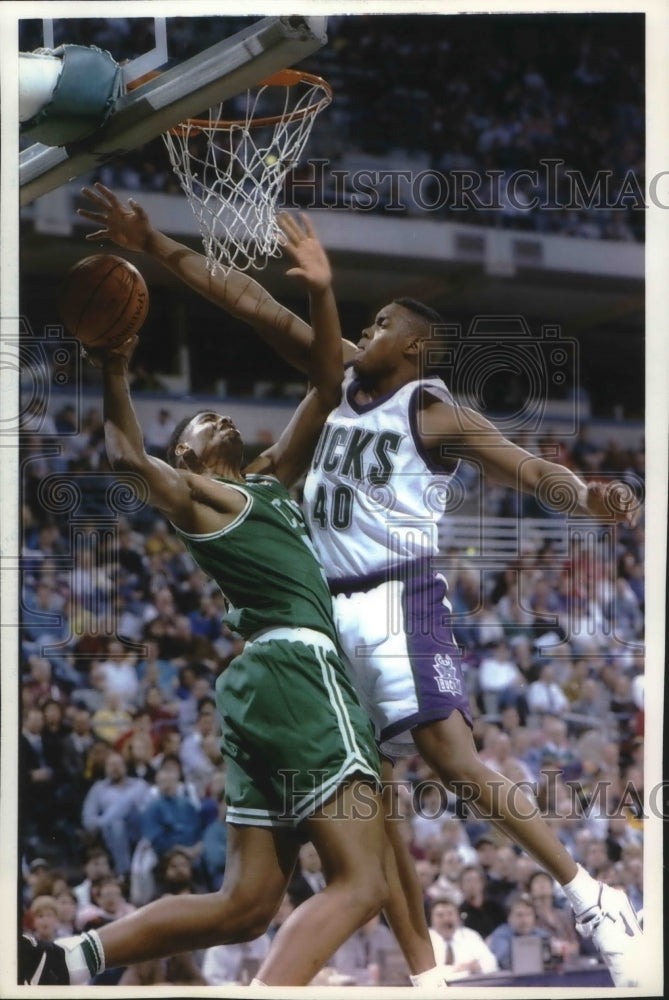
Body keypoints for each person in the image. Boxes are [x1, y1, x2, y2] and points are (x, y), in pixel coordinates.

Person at [73, 183, 644, 989]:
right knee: (372, 805)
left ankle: (592, 897)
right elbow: (247, 302)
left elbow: (522, 465)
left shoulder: (429, 406)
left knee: (451, 761)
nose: (366, 331)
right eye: (364, 321)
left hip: (396, 596)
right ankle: (425, 973)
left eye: (384, 326)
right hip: (327, 616)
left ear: (415, 350)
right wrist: (155, 246)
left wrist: (586, 496)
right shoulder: (334, 379)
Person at [21, 213, 388, 988]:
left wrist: (322, 292)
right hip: (296, 669)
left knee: (246, 906)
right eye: (196, 423)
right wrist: (115, 365)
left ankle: (67, 959)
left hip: (257, 689)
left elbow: (329, 383)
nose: (215, 418)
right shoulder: (204, 497)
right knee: (364, 885)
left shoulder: (268, 479)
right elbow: (126, 457)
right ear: (186, 455)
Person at [428, 897, 498, 979]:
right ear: (431, 919)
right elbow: (425, 973)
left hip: (469, 988)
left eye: (450, 914)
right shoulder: (424, 940)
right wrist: (455, 970)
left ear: (458, 917)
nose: (446, 919)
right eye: (440, 915)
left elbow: (492, 964)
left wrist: (478, 967)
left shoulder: (470, 935)